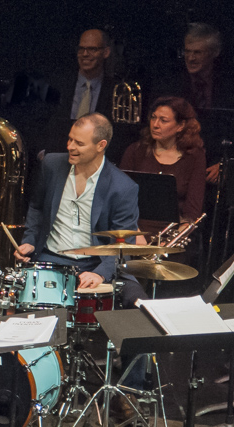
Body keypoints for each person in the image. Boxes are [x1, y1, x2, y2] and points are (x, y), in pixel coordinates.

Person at [14, 113, 147, 307]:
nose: (70, 147)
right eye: (70, 139)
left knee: (138, 302)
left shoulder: (123, 187)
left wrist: (100, 274)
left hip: (96, 262)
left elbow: (123, 245)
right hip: (52, 257)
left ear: (101, 145)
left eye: (79, 143)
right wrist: (30, 240)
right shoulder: (51, 164)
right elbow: (37, 206)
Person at [157, 23, 233, 183]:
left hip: (217, 169)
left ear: (215, 53)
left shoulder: (229, 85)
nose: (190, 58)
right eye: (188, 51)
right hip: (177, 164)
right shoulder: (169, 84)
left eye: (198, 52)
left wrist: (228, 164)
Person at [119, 96, 206, 231]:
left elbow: (192, 212)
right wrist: (135, 235)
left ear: (181, 126)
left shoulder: (195, 157)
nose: (155, 124)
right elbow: (120, 200)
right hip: (134, 231)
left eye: (163, 120)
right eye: (153, 118)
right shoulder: (135, 151)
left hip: (173, 234)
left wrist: (171, 242)